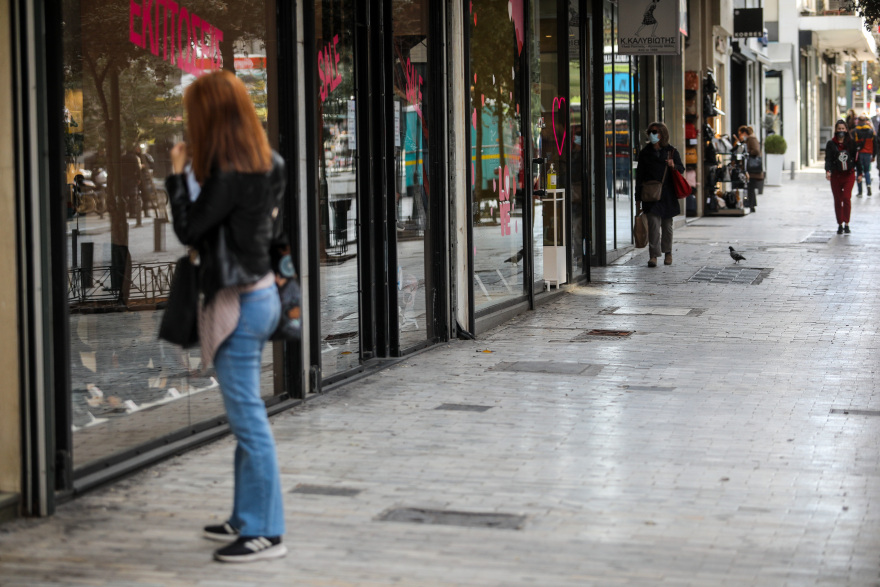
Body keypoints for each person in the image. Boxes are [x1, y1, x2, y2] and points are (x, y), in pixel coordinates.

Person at [166, 70, 287, 563]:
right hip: (262, 294)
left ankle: (266, 533)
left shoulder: (230, 174)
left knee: (249, 422)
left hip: (237, 304)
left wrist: (178, 176)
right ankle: (244, 517)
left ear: (210, 117)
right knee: (246, 416)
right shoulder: (269, 163)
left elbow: (190, 230)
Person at [635, 121, 684, 267]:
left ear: (662, 134)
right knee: (653, 227)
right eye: (650, 132)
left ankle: (668, 253)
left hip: (667, 195)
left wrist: (673, 165)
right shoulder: (645, 153)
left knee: (667, 227)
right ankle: (653, 256)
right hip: (650, 196)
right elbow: (639, 177)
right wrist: (638, 199)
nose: (652, 135)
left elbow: (681, 169)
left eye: (655, 132)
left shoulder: (671, 151)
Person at [825, 119, 862, 235]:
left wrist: (860, 173)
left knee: (846, 198)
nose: (841, 130)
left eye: (843, 128)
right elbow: (828, 159)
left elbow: (857, 159)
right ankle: (840, 224)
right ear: (836, 130)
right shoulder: (831, 144)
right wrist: (827, 171)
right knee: (837, 199)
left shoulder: (851, 143)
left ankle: (847, 223)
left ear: (846, 130)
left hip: (848, 175)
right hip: (836, 175)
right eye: (839, 129)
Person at [851, 113, 877, 196]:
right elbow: (875, 144)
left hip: (859, 154)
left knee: (859, 172)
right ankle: (868, 185)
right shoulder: (871, 131)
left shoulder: (855, 131)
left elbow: (852, 144)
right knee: (867, 171)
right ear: (865, 121)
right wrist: (874, 155)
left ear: (858, 121)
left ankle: (860, 191)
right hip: (868, 154)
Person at [738, 125, 763, 213]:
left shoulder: (752, 139)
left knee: (750, 186)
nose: (740, 136)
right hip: (751, 168)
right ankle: (751, 205)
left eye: (740, 134)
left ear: (744, 133)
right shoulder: (749, 139)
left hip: (752, 168)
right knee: (750, 186)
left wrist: (747, 152)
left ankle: (751, 205)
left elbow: (756, 151)